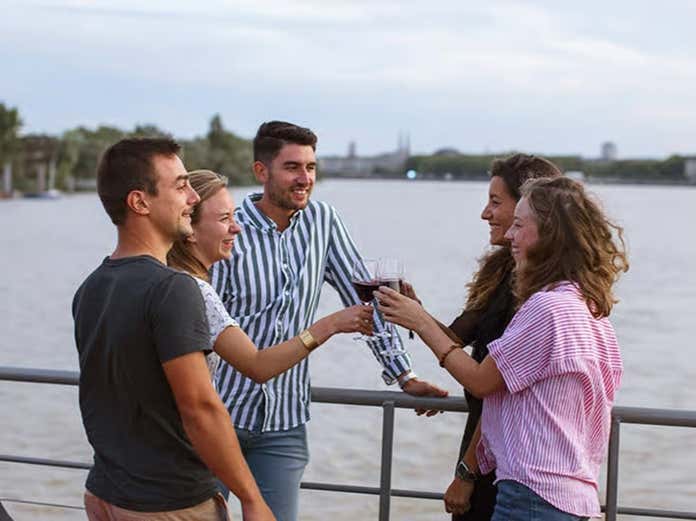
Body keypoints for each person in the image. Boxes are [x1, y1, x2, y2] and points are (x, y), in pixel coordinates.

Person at [210, 121, 447, 521]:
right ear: (261, 172)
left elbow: (365, 298)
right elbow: (203, 324)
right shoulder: (227, 227)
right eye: (292, 168)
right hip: (217, 417)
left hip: (282, 424)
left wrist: (403, 375)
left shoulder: (324, 221)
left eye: (311, 168)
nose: (305, 179)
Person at [377, 176, 628, 521]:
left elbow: (482, 382)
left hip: (533, 497)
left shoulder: (547, 308)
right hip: (572, 496)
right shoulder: (591, 309)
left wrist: (420, 321)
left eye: (520, 225)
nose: (509, 234)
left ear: (549, 236)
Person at [72, 138, 274, 521]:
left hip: (104, 493)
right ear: (140, 202)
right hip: (168, 503)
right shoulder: (173, 288)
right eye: (180, 186)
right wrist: (252, 498)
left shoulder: (92, 287)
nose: (193, 198)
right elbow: (200, 407)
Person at [428, 154, 562, 520]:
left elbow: (497, 389)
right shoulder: (502, 269)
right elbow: (454, 338)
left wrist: (467, 472)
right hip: (483, 446)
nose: (485, 214)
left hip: (498, 461)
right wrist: (408, 309)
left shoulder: (536, 294)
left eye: (495, 202)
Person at [167, 169, 374, 382]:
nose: (236, 228)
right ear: (189, 229)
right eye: (224, 218)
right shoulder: (196, 291)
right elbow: (258, 366)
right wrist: (332, 324)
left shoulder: (168, 279)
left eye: (234, 215)